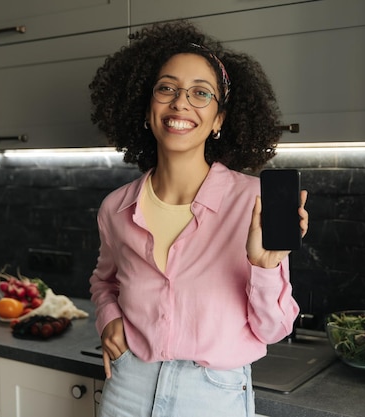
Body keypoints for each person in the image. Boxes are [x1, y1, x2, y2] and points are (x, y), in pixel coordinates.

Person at [88, 20, 308, 417]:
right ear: (147, 107)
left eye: (200, 93)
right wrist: (108, 319)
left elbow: (273, 331)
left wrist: (264, 267)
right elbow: (104, 280)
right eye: (166, 88)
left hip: (213, 395)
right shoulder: (116, 208)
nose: (180, 103)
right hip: (127, 387)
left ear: (220, 119)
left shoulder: (253, 202)